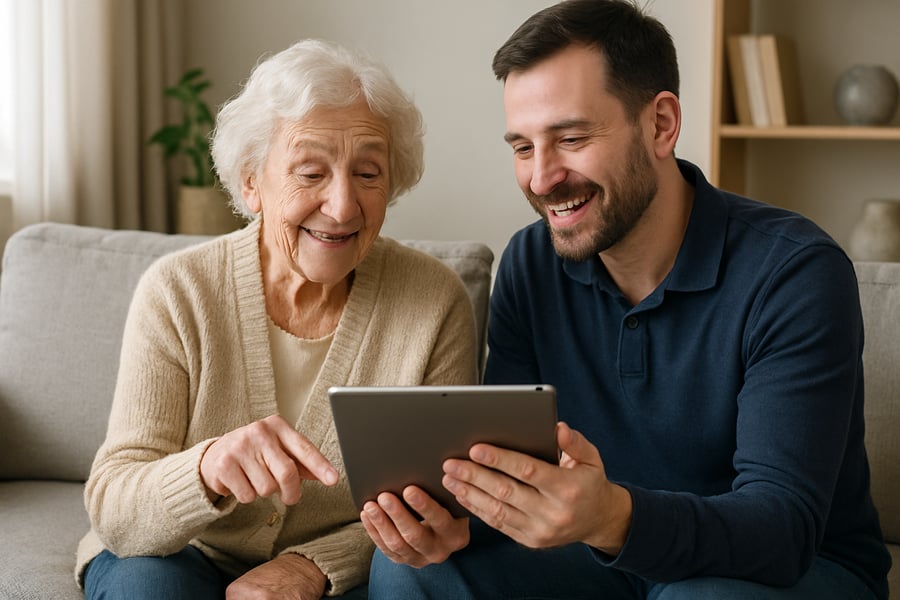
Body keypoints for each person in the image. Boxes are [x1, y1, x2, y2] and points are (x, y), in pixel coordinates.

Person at [364, 1, 892, 598]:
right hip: (598, 556)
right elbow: (513, 470)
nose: (541, 178)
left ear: (662, 124)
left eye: (571, 137)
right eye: (523, 147)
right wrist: (454, 525)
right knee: (412, 570)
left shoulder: (794, 273)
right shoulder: (532, 264)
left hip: (788, 571)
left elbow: (783, 529)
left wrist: (611, 515)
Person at [76, 39, 479, 600]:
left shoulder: (435, 301)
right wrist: (207, 469)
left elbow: (433, 507)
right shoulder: (178, 291)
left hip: (345, 568)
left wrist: (312, 566)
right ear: (250, 182)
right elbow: (115, 505)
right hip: (188, 549)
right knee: (144, 587)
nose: (341, 206)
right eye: (311, 172)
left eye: (367, 173)